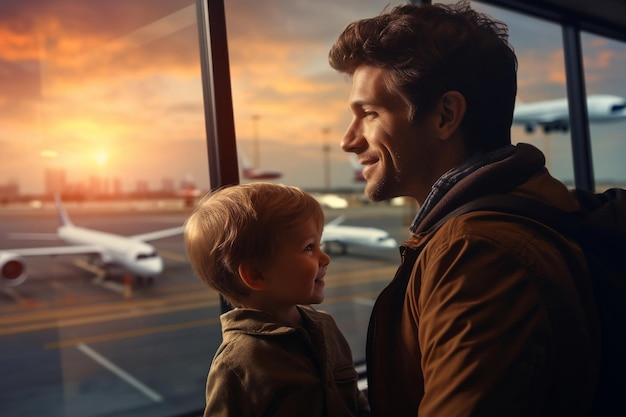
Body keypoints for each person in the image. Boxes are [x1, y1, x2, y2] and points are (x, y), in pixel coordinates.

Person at [328, 2, 600, 417]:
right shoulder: (541, 205)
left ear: (446, 115)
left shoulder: (475, 254)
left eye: (368, 113)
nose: (348, 141)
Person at [184, 182, 370, 417]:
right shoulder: (238, 364)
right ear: (257, 275)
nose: (325, 258)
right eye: (309, 248)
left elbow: (355, 402)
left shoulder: (326, 327)